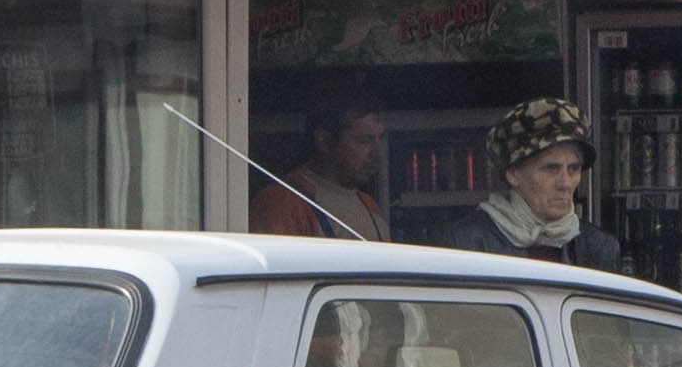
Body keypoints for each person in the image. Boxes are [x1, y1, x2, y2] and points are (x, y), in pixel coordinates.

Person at [426, 98, 630, 273]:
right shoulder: (468, 243)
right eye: (551, 169)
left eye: (574, 169)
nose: (565, 183)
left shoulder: (598, 248)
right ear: (513, 174)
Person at [252, 90, 391, 242]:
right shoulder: (284, 204)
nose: (378, 154)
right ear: (324, 141)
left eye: (380, 139)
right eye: (364, 141)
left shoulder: (370, 207)